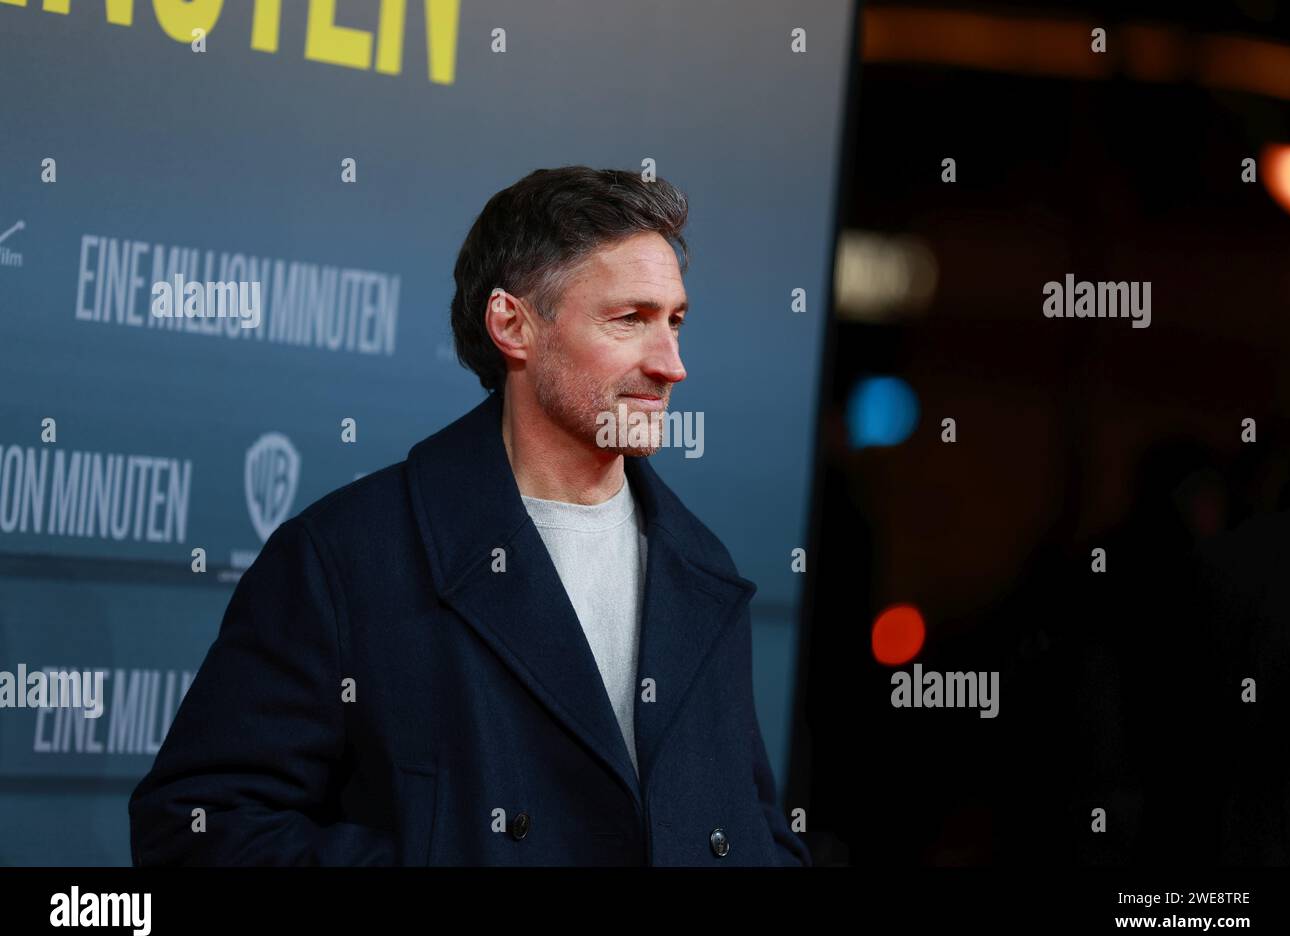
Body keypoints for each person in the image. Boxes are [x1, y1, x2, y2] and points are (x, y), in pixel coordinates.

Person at [128, 166, 812, 866]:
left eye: (676, 322)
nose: (672, 365)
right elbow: (197, 827)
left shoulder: (701, 569)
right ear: (512, 324)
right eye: (629, 320)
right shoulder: (348, 557)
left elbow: (750, 828)